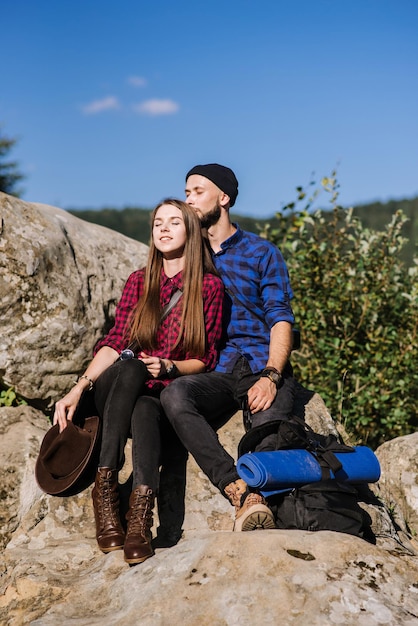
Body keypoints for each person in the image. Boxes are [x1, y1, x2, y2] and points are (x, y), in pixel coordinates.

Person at [53, 198, 224, 564]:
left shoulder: (209, 288)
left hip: (156, 393)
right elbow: (115, 344)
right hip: (116, 389)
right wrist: (78, 388)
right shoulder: (139, 281)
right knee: (131, 368)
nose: (162, 228)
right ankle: (106, 487)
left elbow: (204, 359)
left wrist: (170, 367)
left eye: (174, 222)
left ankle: (139, 521)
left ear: (190, 232)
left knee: (147, 408)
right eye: (158, 222)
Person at [160, 164, 296, 531]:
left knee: (269, 430)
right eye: (186, 192)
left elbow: (280, 317)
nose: (189, 199)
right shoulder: (185, 254)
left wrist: (271, 375)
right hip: (214, 368)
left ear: (224, 198)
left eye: (197, 191)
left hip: (257, 363)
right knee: (174, 397)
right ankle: (237, 489)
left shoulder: (261, 253)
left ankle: (264, 501)